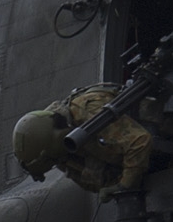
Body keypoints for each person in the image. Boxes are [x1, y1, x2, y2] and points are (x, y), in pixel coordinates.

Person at [11, 83, 154, 199]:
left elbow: (139, 141)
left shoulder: (89, 111)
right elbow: (93, 183)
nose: (59, 163)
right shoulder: (63, 153)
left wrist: (124, 184)